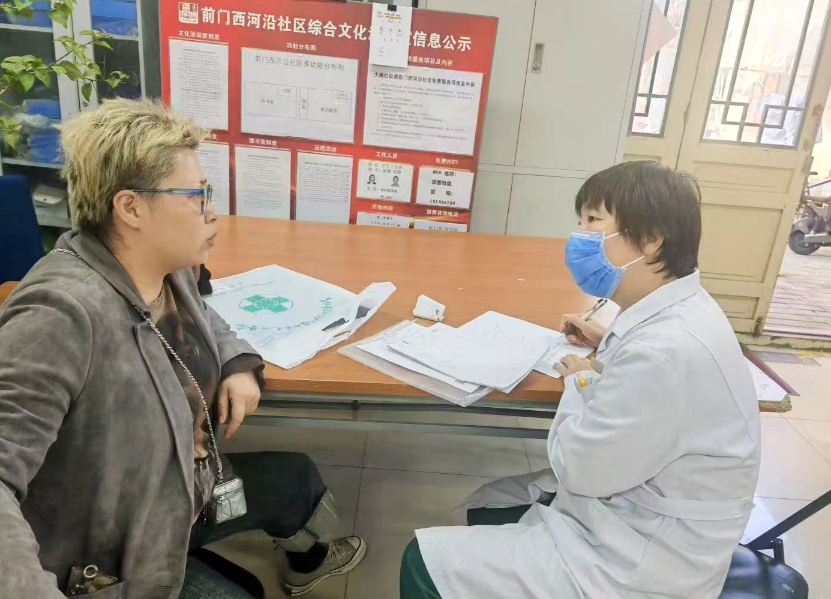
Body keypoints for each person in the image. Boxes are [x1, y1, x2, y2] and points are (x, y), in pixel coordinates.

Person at [0, 98, 365, 599]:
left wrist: (236, 360)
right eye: (196, 195)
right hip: (115, 551)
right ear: (131, 207)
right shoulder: (59, 314)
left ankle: (301, 563)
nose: (211, 212)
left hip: (182, 491)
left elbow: (205, 316)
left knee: (295, 479)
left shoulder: (164, 267)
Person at [400, 161, 761, 599]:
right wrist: (611, 343)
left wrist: (581, 384)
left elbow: (582, 471)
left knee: (423, 561)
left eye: (593, 221)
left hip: (640, 560)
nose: (579, 236)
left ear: (650, 240)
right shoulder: (682, 309)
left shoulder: (663, 351)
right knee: (488, 502)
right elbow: (651, 385)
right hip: (641, 512)